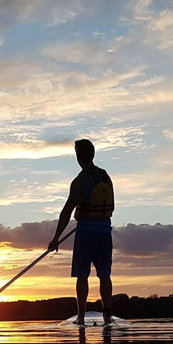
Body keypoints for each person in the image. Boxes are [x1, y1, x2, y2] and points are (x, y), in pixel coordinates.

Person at [48, 139, 115, 325]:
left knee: (82, 275)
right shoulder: (105, 176)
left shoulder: (79, 181)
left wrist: (56, 238)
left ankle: (81, 317)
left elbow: (67, 210)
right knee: (104, 275)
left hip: (86, 232)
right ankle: (107, 315)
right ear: (92, 154)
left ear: (78, 156)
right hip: (104, 232)